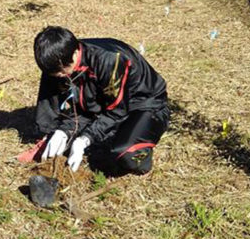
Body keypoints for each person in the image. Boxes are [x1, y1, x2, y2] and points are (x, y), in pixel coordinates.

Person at [33, 26, 170, 175]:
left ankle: (140, 139)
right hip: (103, 99)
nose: (59, 76)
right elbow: (85, 104)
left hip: (143, 102)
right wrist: (60, 131)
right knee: (53, 81)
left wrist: (85, 139)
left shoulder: (109, 60)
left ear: (74, 53)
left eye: (61, 71)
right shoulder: (58, 61)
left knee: (126, 154)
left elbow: (117, 111)